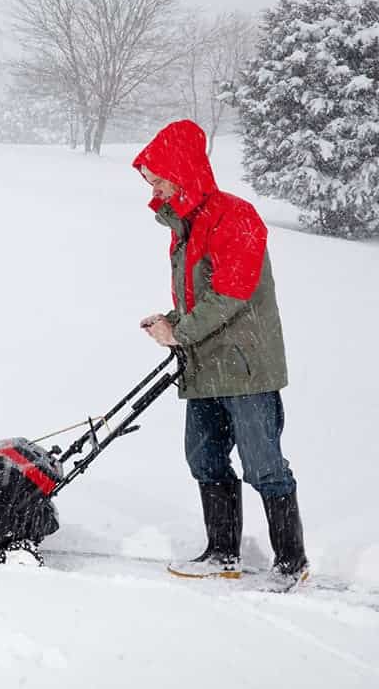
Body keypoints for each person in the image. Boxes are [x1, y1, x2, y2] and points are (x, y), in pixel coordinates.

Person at [133, 119, 309, 587]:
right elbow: (203, 295)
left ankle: (292, 562)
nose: (151, 183)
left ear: (182, 170)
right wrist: (172, 320)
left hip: (247, 366)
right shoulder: (185, 224)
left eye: (156, 174)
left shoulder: (235, 216)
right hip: (205, 364)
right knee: (204, 458)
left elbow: (233, 294)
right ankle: (222, 554)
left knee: (263, 463)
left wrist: (180, 330)